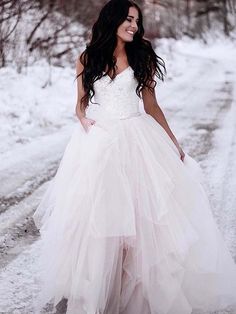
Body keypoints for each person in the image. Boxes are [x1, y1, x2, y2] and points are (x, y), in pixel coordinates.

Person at [33, 0, 236, 313]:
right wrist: (84, 120)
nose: (133, 26)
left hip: (138, 138)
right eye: (128, 19)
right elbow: (80, 104)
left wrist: (173, 142)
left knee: (142, 222)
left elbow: (151, 106)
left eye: (136, 21)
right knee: (100, 219)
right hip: (100, 143)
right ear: (112, 19)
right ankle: (101, 289)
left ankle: (135, 296)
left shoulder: (141, 55)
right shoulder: (87, 58)